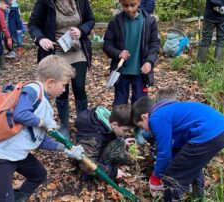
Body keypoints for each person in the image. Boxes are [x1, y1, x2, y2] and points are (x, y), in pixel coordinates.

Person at [0, 55, 85, 202]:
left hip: (15, 153)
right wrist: (43, 122)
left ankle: (18, 198)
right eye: (64, 84)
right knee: (4, 199)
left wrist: (65, 149)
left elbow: (39, 140)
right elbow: (20, 114)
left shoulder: (43, 101)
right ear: (51, 82)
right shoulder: (33, 90)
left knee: (38, 174)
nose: (65, 89)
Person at [130, 90, 224, 201]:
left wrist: (155, 178)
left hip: (208, 133)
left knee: (172, 176)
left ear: (144, 117)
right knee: (189, 163)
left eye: (141, 126)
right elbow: (175, 148)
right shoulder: (168, 110)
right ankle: (197, 196)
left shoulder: (156, 117)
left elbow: (164, 154)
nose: (144, 130)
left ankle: (172, 198)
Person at [28, 0, 95, 140]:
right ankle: (64, 125)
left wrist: (81, 30)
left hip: (77, 50)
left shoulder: (81, 1)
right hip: (56, 52)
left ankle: (83, 125)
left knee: (79, 87)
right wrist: (40, 39)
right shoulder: (45, 2)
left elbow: (90, 20)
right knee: (61, 90)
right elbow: (33, 25)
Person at [103, 0, 160, 145]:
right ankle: (118, 131)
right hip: (121, 71)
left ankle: (138, 129)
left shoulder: (149, 21)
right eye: (125, 5)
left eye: (132, 5)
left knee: (140, 102)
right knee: (120, 102)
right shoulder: (116, 22)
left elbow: (154, 45)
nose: (128, 9)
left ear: (139, 2)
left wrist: (149, 62)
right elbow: (107, 44)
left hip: (141, 73)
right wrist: (118, 53)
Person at [75, 105, 135, 180]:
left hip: (95, 149)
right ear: (114, 125)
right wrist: (113, 172)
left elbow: (108, 135)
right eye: (125, 130)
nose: (127, 133)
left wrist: (124, 141)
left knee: (120, 142)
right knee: (119, 144)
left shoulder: (106, 120)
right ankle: (93, 176)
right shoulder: (93, 138)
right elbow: (87, 165)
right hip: (87, 161)